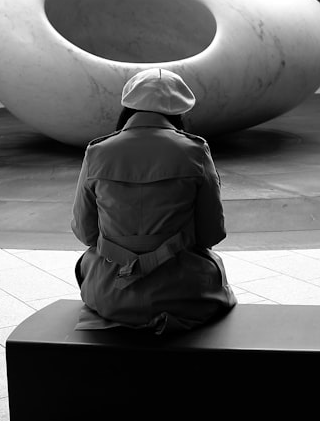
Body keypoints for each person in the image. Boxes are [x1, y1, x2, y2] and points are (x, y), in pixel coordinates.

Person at [71, 67, 236, 334]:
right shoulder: (194, 151)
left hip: (110, 295)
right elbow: (211, 234)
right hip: (184, 294)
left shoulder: (98, 152)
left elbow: (85, 233)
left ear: (128, 107)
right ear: (179, 111)